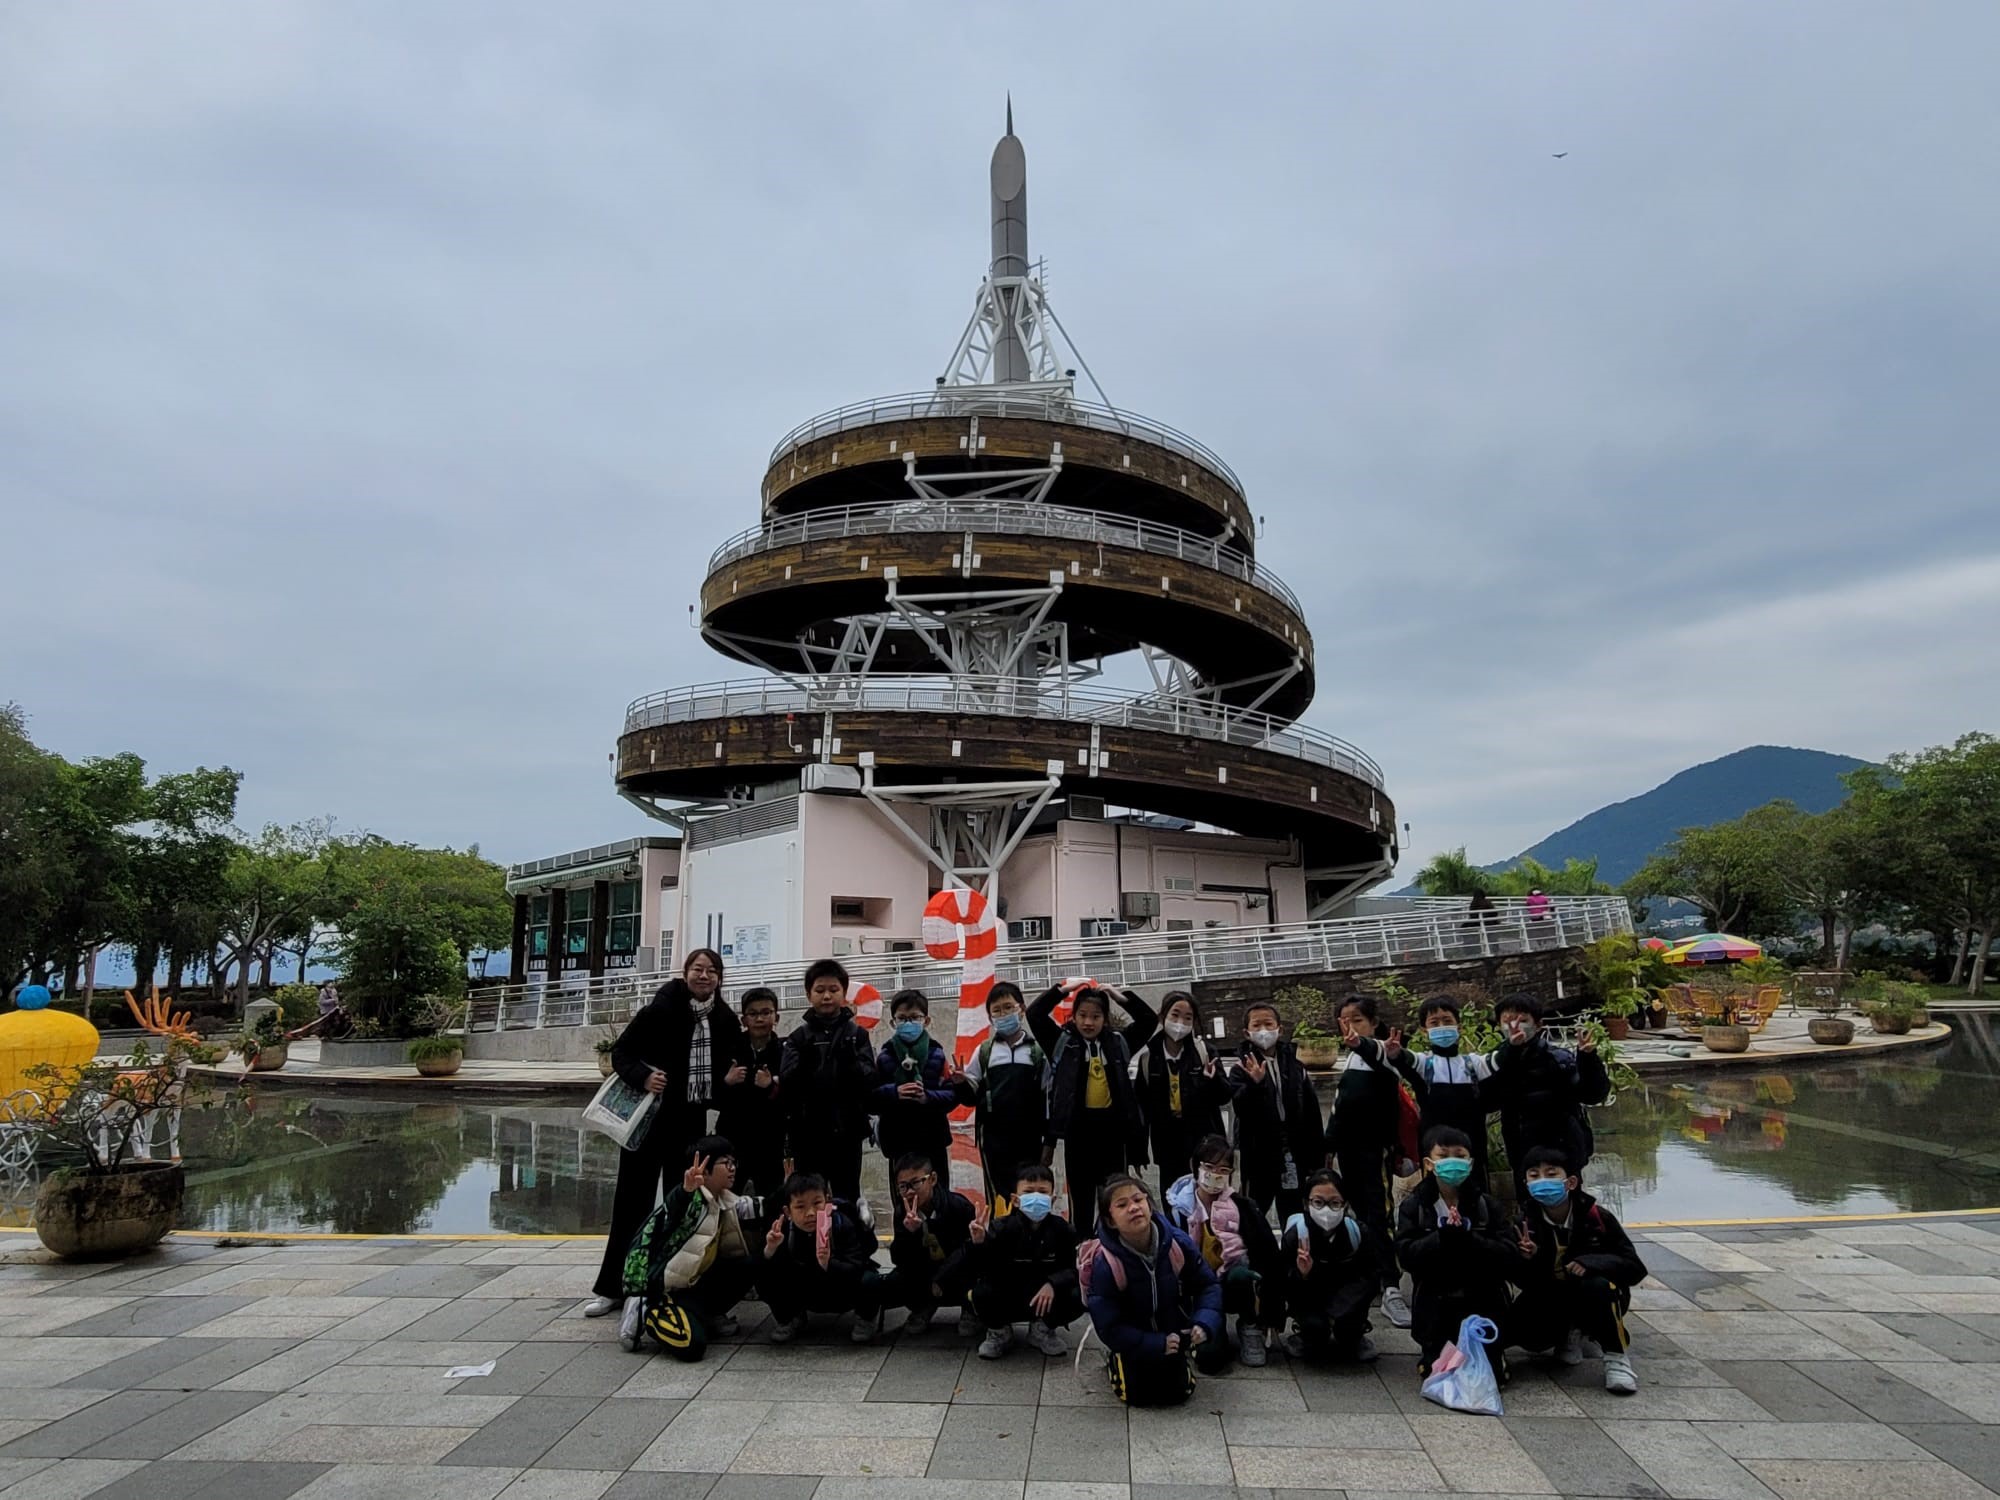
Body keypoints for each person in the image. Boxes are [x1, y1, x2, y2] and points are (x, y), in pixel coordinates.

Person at [588, 949, 737, 1315]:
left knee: (681, 1205)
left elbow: (723, 1077)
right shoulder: (660, 1009)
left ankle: (670, 1285)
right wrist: (644, 1076)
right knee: (631, 1203)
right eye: (698, 969)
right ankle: (615, 1287)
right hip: (648, 1122)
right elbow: (621, 1054)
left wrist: (728, 1080)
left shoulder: (723, 1019)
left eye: (712, 970)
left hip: (688, 1126)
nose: (704, 976)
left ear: (719, 978)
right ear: (685, 973)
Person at [1506, 1146, 1645, 1394]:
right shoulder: (1524, 1224)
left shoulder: (1597, 1218)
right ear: (1526, 1184)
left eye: (1551, 1174)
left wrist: (1591, 1262)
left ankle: (1616, 1358)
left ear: (1570, 1182)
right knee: (1525, 1332)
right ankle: (1565, 1333)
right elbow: (1523, 1282)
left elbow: (1634, 1267)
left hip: (1593, 1294)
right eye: (1534, 1176)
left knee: (1598, 1285)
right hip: (1552, 1295)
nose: (1542, 1181)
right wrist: (1529, 1259)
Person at [1082, 1174, 1223, 1407]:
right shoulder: (1106, 1263)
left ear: (1149, 1204)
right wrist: (1155, 1344)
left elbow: (1208, 1285)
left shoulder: (1177, 1243)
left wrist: (1203, 1322)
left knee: (1180, 1392)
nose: (1133, 1208)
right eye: (1122, 1205)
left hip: (1174, 1332)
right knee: (1136, 1396)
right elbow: (1108, 1326)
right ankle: (1116, 1359)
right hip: (1133, 1336)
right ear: (1110, 1221)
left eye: (1138, 1200)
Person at [616, 1137, 760, 1361]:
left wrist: (791, 1191)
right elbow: (674, 1210)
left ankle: (707, 1314)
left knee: (752, 1264)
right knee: (692, 1345)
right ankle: (647, 1311)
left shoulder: (725, 1199)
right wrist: (685, 1191)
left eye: (734, 1163)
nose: (733, 1169)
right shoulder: (691, 1199)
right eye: (726, 1163)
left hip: (695, 1282)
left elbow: (759, 1207)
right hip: (665, 1288)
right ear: (705, 1169)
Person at [1394, 1125, 1517, 1377]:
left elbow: (1508, 1255)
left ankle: (1494, 1352)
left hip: (1482, 1300)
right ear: (1429, 1163)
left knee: (1489, 1375)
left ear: (1470, 1163)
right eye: (1443, 1155)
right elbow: (1406, 1256)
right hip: (1436, 1303)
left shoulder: (1486, 1205)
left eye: (1460, 1156)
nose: (1452, 1162)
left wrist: (1469, 1237)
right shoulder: (1415, 1207)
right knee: (1439, 1373)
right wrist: (1441, 1237)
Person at [1321, 994, 1413, 1329]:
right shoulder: (1351, 1060)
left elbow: (1376, 1053)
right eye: (1344, 1021)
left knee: (1379, 1214)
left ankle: (1391, 1286)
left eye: (1357, 1020)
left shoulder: (1384, 1053)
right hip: (1348, 1151)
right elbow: (1340, 1107)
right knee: (1357, 1213)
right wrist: (1329, 1147)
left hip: (1375, 1151)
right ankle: (1370, 1275)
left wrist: (1362, 1043)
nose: (1350, 1027)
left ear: (1373, 1023)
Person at [1029, 981, 1150, 1233]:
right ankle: (1082, 1247)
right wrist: (1063, 990)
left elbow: (1148, 1020)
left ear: (1105, 1019)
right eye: (1082, 1015)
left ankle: (1115, 1246)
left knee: (1114, 1200)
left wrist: (1119, 996)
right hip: (1078, 1136)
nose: (1088, 1022)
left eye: (1096, 1016)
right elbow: (1035, 1014)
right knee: (1081, 1203)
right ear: (1073, 1016)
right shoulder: (1062, 1042)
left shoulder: (1118, 1043)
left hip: (1113, 1136)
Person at [1164, 1134, 1284, 1369]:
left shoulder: (1244, 1209)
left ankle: (1249, 1324)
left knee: (1241, 1273)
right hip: (1196, 1291)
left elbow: (1270, 1259)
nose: (1215, 1175)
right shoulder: (1178, 1214)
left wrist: (1270, 1312)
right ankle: (1209, 1329)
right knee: (1210, 1359)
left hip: (1233, 1285)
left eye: (1223, 1170)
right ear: (1195, 1166)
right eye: (1209, 1167)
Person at [1482, 992, 1610, 1196]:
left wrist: (1588, 1059)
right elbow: (1486, 1102)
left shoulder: (1558, 1059)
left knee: (1571, 1202)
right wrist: (1510, 1056)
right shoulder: (1493, 1063)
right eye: (1508, 1021)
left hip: (1564, 1148)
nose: (1515, 1026)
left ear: (1538, 1025)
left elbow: (1592, 1095)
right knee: (1529, 1203)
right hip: (1522, 1150)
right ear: (1499, 1025)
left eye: (1522, 1020)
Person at [778, 958, 878, 1202]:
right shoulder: (798, 1038)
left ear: (844, 993)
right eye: (819, 990)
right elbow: (787, 1084)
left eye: (833, 990)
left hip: (847, 1129)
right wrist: (805, 1067)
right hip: (807, 1132)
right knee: (810, 1195)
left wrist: (851, 1065)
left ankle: (847, 1227)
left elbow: (870, 1080)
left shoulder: (857, 1035)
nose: (826, 996)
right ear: (808, 994)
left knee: (847, 1194)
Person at [756, 1170, 885, 1344]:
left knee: (871, 1280)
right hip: (806, 1292)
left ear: (827, 1202)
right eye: (800, 1207)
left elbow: (857, 1267)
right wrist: (770, 1249)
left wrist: (828, 1263)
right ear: (788, 1211)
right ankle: (788, 1318)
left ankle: (865, 1319)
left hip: (840, 1291)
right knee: (763, 1277)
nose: (810, 1213)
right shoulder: (782, 1231)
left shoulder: (841, 1224)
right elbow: (766, 1273)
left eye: (817, 1203)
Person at [969, 1162, 1081, 1359]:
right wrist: (979, 1243)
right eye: (1029, 1191)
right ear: (1015, 1199)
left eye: (1042, 1192)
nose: (1036, 1197)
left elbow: (1073, 1268)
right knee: (981, 1292)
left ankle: (1042, 1330)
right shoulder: (1000, 1228)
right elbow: (984, 1268)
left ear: (1052, 1199)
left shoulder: (1063, 1229)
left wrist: (1053, 1283)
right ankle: (999, 1332)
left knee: (1080, 1294)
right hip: (1009, 1293)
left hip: (1044, 1297)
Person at [1228, 999, 1324, 1227]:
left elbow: (1311, 1112)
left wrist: (1317, 1156)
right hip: (1258, 1154)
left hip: (1293, 1151)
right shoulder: (1240, 1069)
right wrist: (1256, 1084)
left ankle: (1294, 1247)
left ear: (1279, 1029)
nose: (1263, 1030)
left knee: (1294, 1213)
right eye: (1256, 1025)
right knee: (1254, 1213)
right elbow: (1241, 1108)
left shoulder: (1296, 1066)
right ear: (1247, 1032)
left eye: (1268, 1024)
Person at [1133, 990, 1231, 1202]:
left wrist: (1211, 1080)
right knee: (1173, 1200)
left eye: (1188, 1018)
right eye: (1175, 1015)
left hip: (1204, 1143)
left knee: (1209, 1202)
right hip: (1167, 1144)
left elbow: (1224, 1096)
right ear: (1163, 1016)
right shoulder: (1148, 1058)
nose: (1180, 1023)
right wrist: (1138, 1152)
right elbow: (1142, 1108)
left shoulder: (1204, 1052)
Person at [956, 981, 1047, 1210]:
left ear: (1021, 1009)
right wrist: (959, 1083)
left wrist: (1050, 1141)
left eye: (1008, 1007)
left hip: (1030, 1138)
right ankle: (999, 1230)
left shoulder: (1038, 1052)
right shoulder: (984, 1052)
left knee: (1029, 1192)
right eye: (996, 1010)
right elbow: (969, 1097)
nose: (1003, 1014)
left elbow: (1048, 1097)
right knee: (998, 1197)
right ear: (990, 1017)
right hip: (994, 1140)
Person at [1391, 994, 1496, 1192]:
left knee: (1476, 1190)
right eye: (1434, 1023)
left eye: (1447, 1021)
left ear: (1459, 1027)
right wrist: (1395, 1055)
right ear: (1424, 1031)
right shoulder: (1424, 1065)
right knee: (1434, 1191)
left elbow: (1503, 1059)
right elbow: (1404, 1061)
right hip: (1434, 1145)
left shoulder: (1474, 1065)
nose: (1442, 1026)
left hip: (1472, 1144)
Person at [1281, 1169, 1381, 1364]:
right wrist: (1303, 1275)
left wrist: (1338, 1312)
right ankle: (1305, 1334)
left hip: (1348, 1298)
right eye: (1318, 1202)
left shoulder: (1357, 1233)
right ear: (1306, 1204)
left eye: (1334, 1203)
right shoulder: (1296, 1235)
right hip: (1311, 1298)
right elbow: (1283, 1282)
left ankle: (1355, 1336)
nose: (1326, 1210)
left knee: (1348, 1327)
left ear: (1345, 1205)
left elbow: (1370, 1277)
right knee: (1315, 1333)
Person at [881, 1153, 978, 1335]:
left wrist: (940, 1278)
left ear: (932, 1179)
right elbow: (898, 1259)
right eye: (903, 1186)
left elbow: (969, 1251)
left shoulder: (958, 1206)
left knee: (976, 1267)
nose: (910, 1191)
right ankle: (922, 1306)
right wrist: (910, 1234)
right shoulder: (902, 1212)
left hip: (954, 1270)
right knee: (894, 1281)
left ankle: (970, 1309)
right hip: (926, 1270)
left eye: (916, 1183)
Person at [873, 990, 956, 1184]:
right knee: (904, 1194)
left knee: (938, 1193)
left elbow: (952, 1096)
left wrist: (927, 1097)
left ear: (926, 1021)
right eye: (902, 1018)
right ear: (893, 1022)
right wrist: (895, 1093)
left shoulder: (938, 1055)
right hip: (897, 1141)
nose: (908, 1023)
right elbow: (870, 1099)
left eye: (915, 1017)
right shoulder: (884, 1057)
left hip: (932, 1139)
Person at [715, 987, 786, 1206]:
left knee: (772, 1200)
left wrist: (770, 1086)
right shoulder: (728, 1050)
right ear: (744, 1020)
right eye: (753, 1014)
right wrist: (726, 1082)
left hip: (770, 1140)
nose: (760, 1019)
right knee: (726, 1199)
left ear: (776, 1017)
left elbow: (791, 1099)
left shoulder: (785, 1051)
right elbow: (711, 1098)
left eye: (766, 1012)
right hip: (733, 1138)